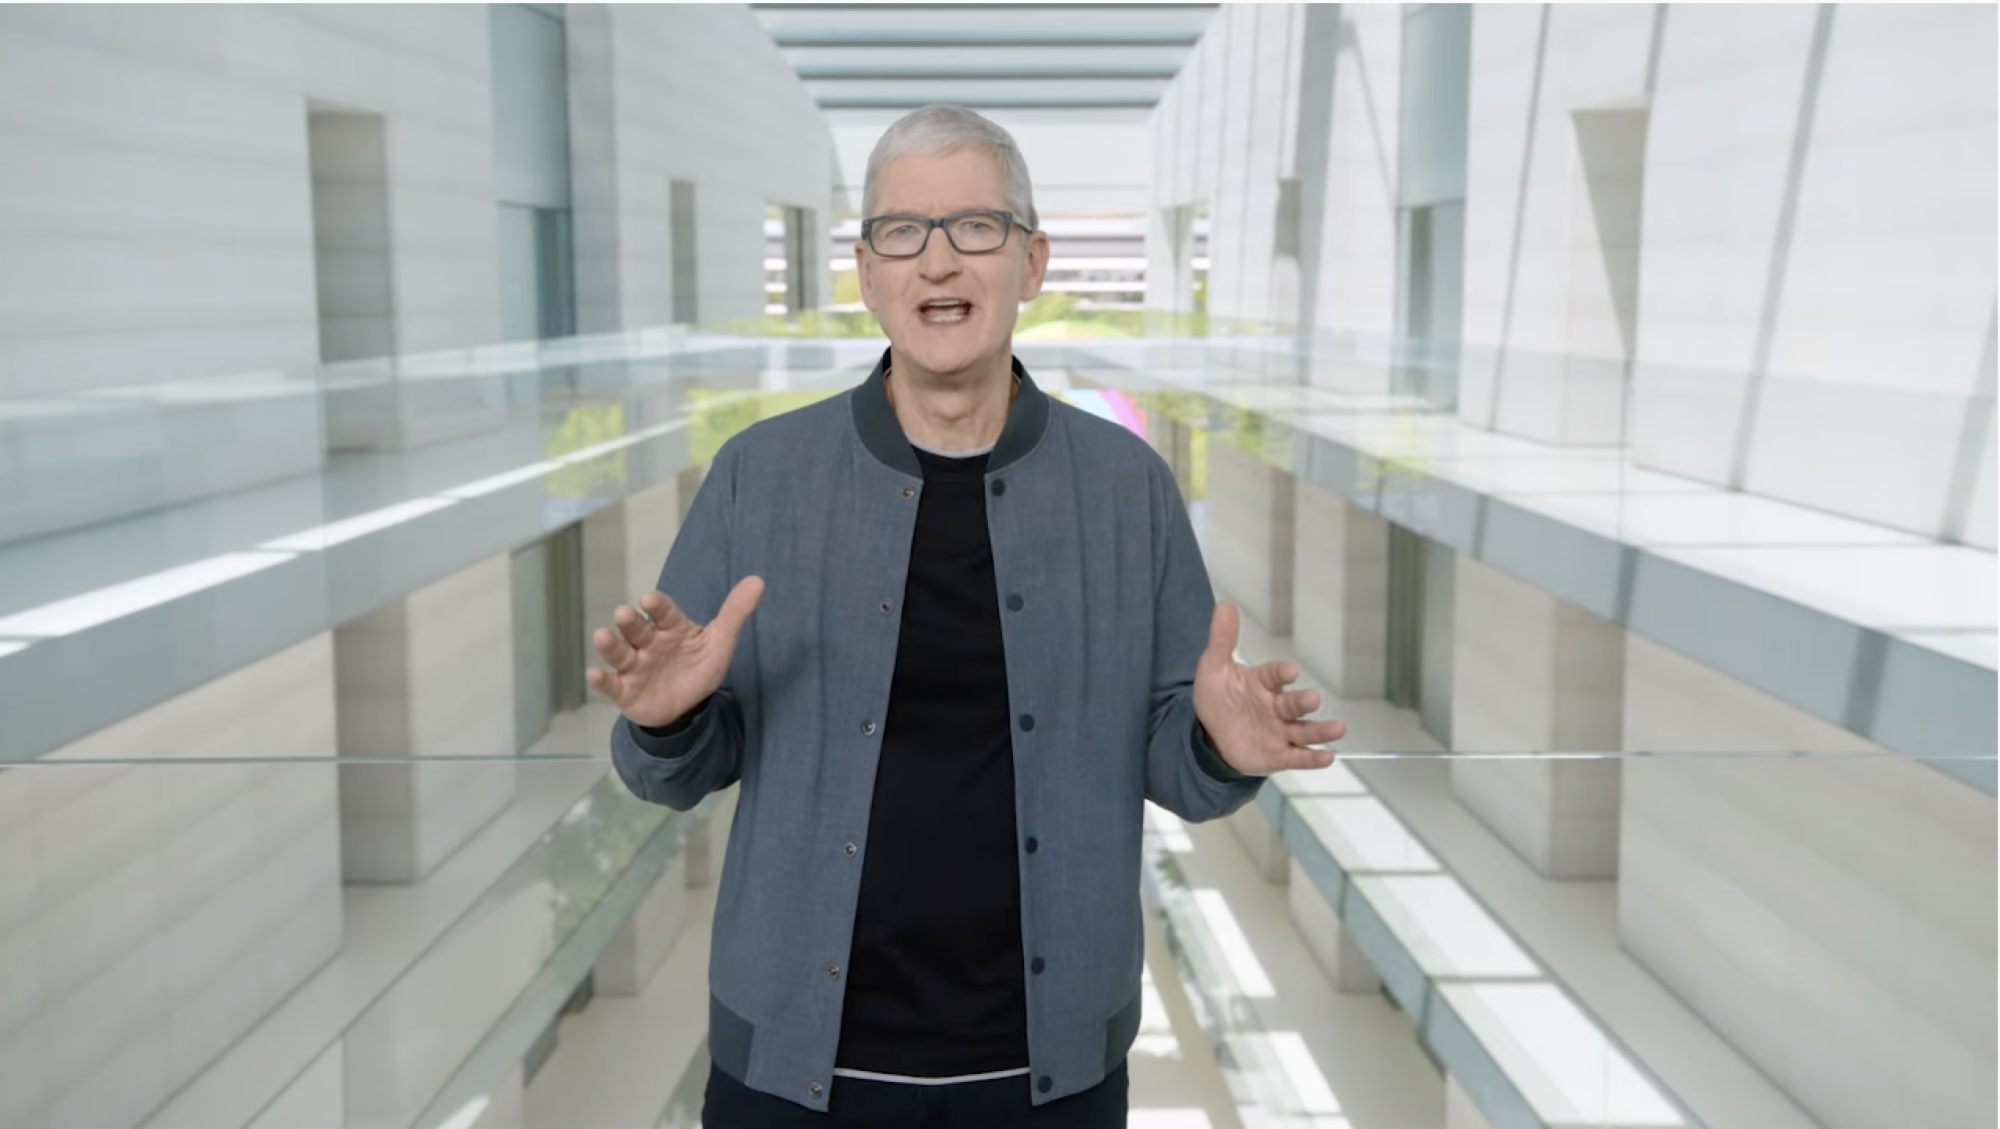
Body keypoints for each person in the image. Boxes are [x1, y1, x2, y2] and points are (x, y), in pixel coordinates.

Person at [591, 104, 1345, 1128]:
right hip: (789, 1076)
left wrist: (1220, 743)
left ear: (1030, 262)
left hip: (1049, 1079)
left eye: (975, 227)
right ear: (867, 274)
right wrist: (665, 718)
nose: (937, 261)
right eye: (902, 230)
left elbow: (1177, 763)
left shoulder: (1126, 488)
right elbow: (666, 773)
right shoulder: (756, 478)